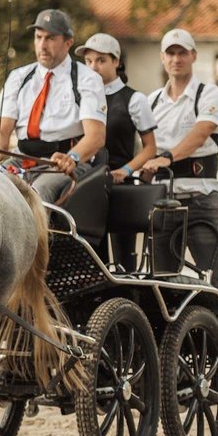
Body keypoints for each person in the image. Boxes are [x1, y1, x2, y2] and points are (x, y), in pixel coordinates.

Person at [0, 8, 107, 204]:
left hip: (63, 162)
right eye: (38, 37)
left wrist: (72, 158)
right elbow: (2, 130)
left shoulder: (87, 79)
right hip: (21, 158)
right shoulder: (18, 77)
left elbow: (96, 136)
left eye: (50, 38)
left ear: (68, 42)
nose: (42, 45)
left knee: (36, 193)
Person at [140, 29, 218, 294]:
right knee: (161, 283)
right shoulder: (151, 101)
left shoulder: (208, 94)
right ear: (162, 58)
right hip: (163, 201)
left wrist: (165, 158)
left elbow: (200, 134)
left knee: (213, 283)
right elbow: (147, 148)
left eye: (182, 53)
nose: (176, 59)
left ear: (193, 56)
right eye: (170, 53)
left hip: (201, 200)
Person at [75, 32, 157, 270]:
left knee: (125, 263)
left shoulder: (134, 99)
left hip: (120, 186)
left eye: (101, 60)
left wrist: (126, 170)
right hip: (88, 186)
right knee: (92, 259)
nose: (93, 67)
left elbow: (150, 148)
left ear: (116, 62)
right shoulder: (81, 98)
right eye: (88, 61)